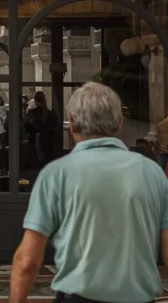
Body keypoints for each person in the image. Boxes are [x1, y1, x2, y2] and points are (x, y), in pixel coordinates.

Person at [10, 82, 168, 303]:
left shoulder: (56, 174)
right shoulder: (152, 173)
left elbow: (27, 260)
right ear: (119, 123)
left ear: (72, 124)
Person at [24, 90, 58, 168]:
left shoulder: (32, 113)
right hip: (48, 146)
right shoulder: (51, 114)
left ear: (35, 101)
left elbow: (27, 126)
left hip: (34, 145)